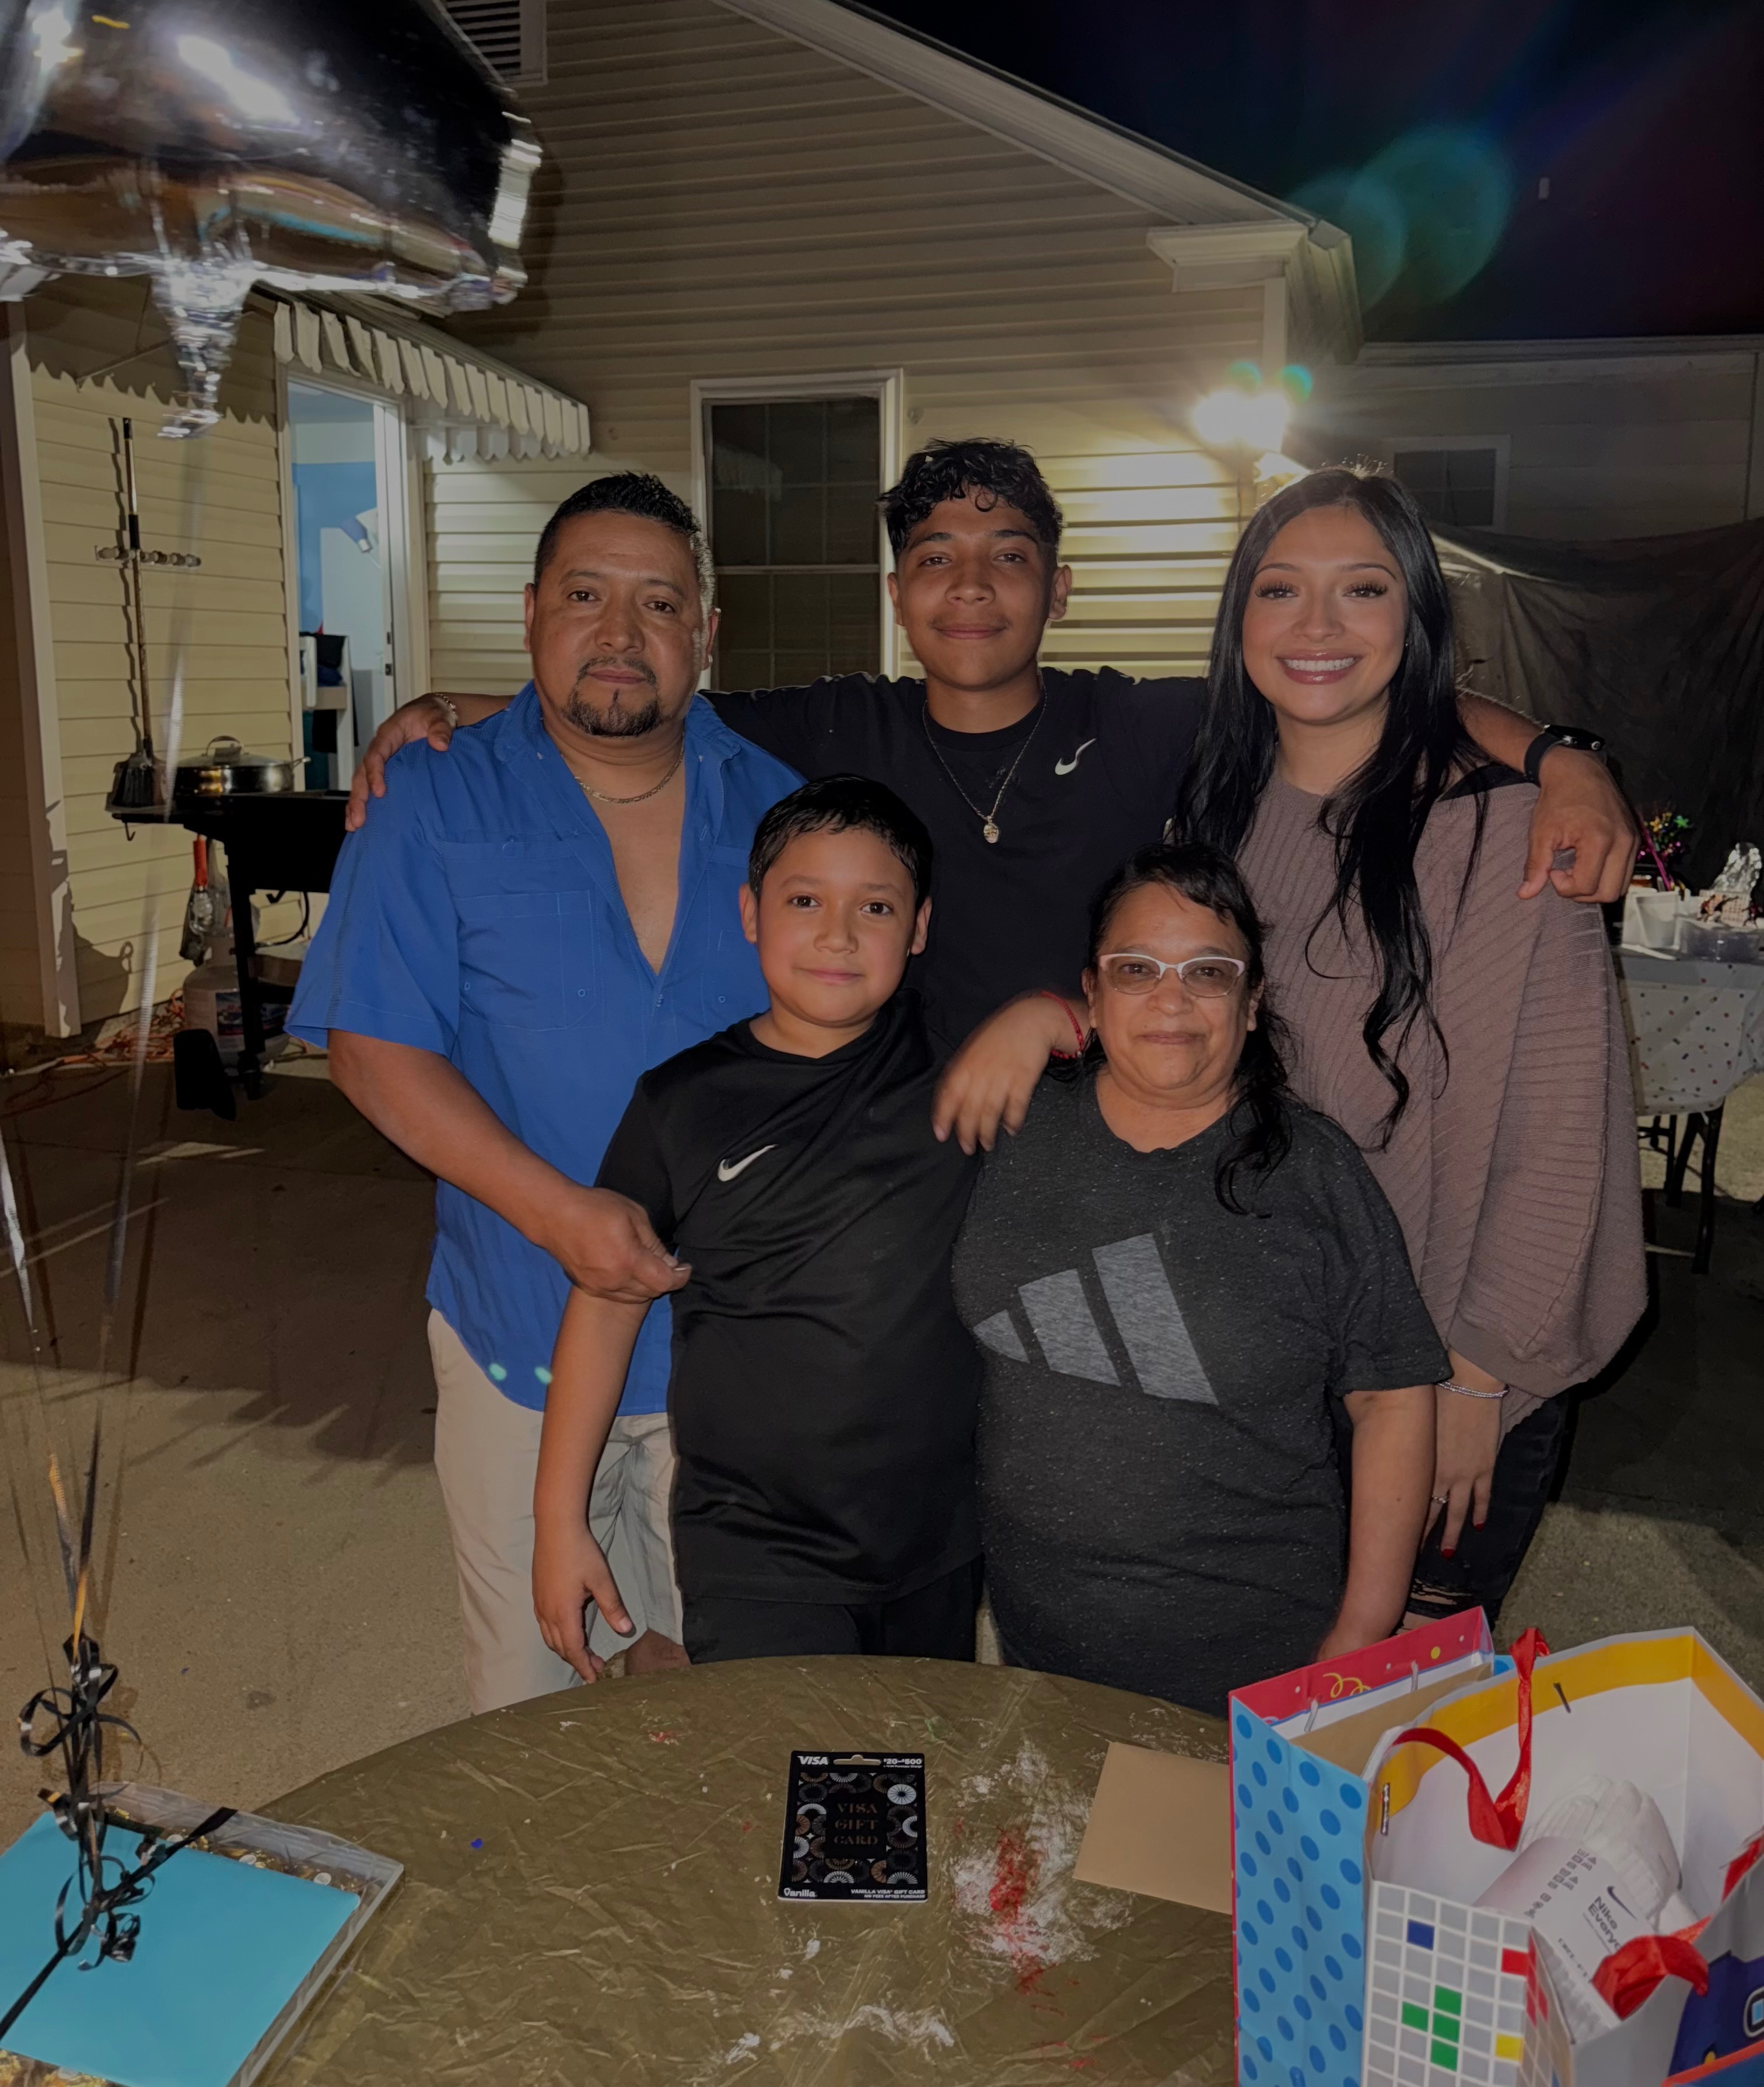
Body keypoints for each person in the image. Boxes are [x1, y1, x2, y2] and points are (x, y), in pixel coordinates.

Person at [348, 442, 1639, 1060]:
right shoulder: (838, 723)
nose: (971, 589)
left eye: (1009, 558)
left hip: (1104, 1143)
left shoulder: (1138, 721)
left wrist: (1561, 758)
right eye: (936, 561)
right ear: (898, 594)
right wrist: (459, 704)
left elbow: (1358, 691)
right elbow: (641, 686)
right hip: (894, 1158)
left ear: (1058, 589)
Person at [975, 467, 1647, 1629]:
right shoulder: (1215, 813)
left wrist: (1477, 1382)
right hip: (1273, 1359)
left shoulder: (1507, 831)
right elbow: (1193, 1034)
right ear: (1239, 620)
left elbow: (1561, 1139)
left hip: (1447, 1366)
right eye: (1281, 589)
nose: (1319, 626)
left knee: (1386, 1711)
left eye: (1363, 590)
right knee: (1266, 1681)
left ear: (1416, 614)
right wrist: (1059, 1018)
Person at [287, 474, 800, 1711]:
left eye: (658, 603)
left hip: (738, 1355)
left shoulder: (784, 811)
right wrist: (560, 1215)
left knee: (734, 1702)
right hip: (518, 1331)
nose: (620, 634)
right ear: (529, 614)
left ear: (706, 632)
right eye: (585, 597)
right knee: (531, 1711)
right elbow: (370, 1048)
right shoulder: (433, 795)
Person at [952, 842, 1448, 1714]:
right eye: (1137, 969)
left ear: (1252, 1005)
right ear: (1092, 994)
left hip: (1255, 1663)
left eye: (1208, 973)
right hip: (1038, 1645)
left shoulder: (1313, 1171)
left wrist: (1363, 1631)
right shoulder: (1015, 1122)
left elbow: (1393, 1399)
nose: (1171, 999)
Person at [533, 776, 982, 1672]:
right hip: (755, 1552)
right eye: (805, 900)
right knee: (788, 1760)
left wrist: (1045, 1019)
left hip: (937, 1541)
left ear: (920, 928)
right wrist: (557, 1522)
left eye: (877, 907)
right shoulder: (682, 1103)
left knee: (917, 1756)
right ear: (751, 912)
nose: (838, 935)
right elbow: (608, 1302)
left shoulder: (964, 1075)